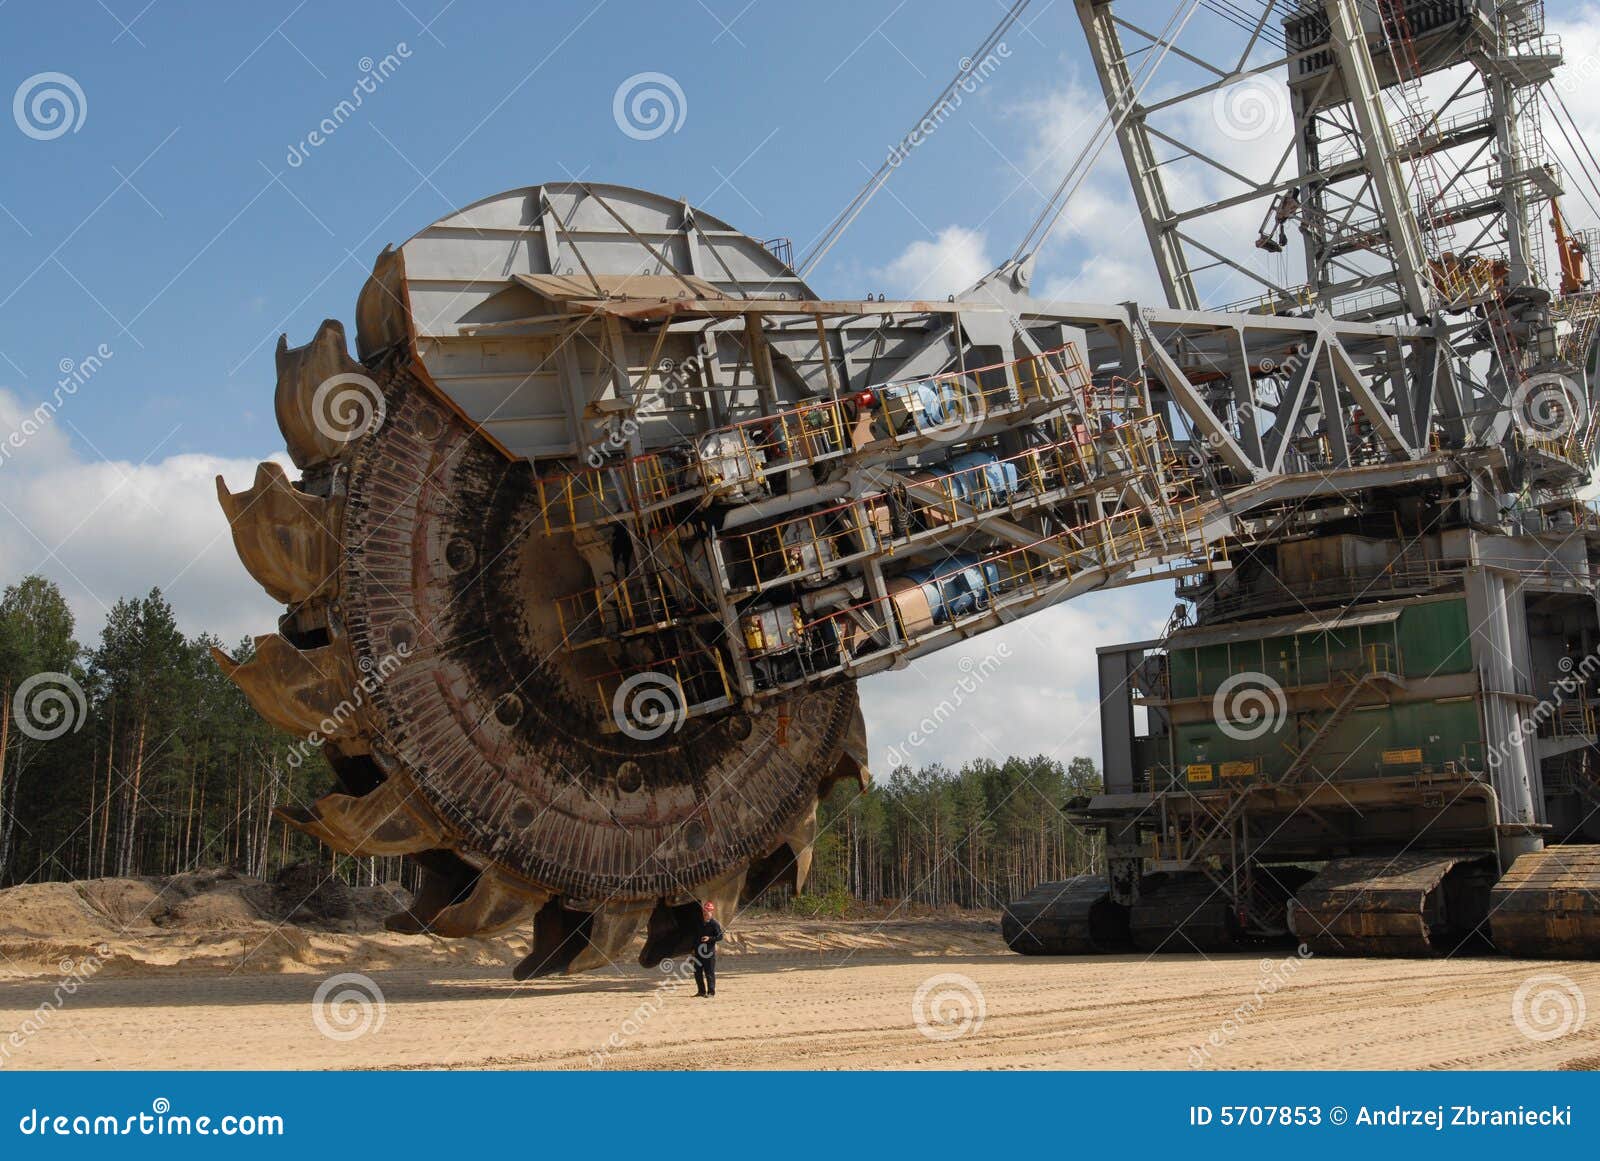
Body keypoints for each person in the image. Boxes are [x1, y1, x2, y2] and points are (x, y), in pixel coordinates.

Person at [692, 900, 723, 997]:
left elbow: (720, 937)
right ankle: (701, 991)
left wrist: (709, 938)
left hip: (709, 953)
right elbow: (695, 937)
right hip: (698, 952)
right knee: (697, 972)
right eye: (704, 912)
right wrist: (693, 949)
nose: (705, 913)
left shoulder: (715, 924)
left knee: (709, 973)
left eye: (708, 912)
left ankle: (711, 992)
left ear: (711, 912)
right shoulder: (699, 923)